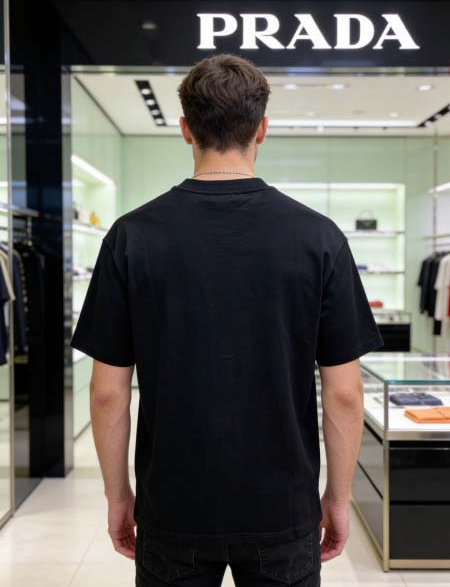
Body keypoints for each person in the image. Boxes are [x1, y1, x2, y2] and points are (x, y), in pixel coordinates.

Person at [70, 53, 384, 587]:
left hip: (173, 507)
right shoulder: (319, 238)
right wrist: (337, 497)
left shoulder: (130, 237)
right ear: (262, 129)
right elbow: (345, 393)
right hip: (283, 508)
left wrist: (118, 495)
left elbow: (106, 392)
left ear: (185, 129)